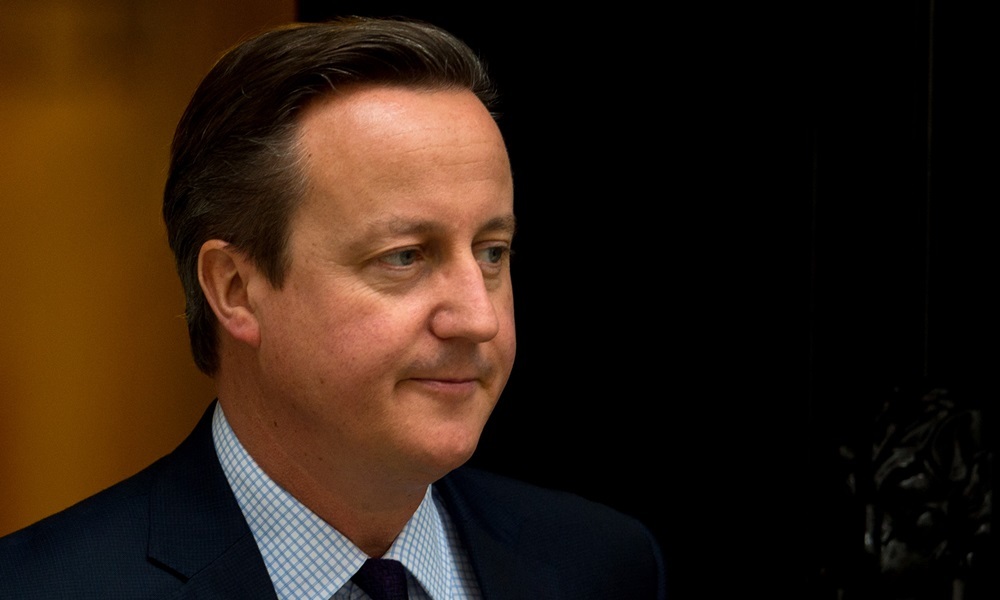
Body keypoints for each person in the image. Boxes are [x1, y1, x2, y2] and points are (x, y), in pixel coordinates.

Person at [0, 16, 666, 599]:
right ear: (236, 288)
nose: (478, 318)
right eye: (405, 256)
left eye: (492, 252)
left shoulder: (601, 565)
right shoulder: (44, 586)